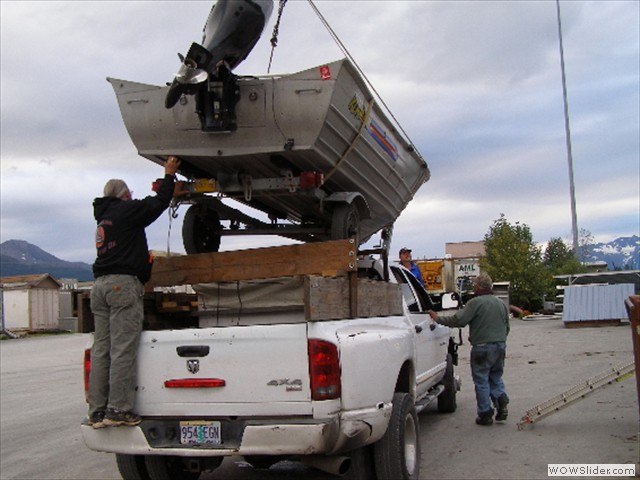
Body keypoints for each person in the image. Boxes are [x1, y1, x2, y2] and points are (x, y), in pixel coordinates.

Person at [87, 156, 182, 429]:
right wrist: (168, 174)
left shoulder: (103, 219)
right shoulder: (125, 211)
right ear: (125, 195)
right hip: (121, 286)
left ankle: (97, 411)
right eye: (130, 194)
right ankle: (118, 410)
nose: (132, 197)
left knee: (102, 349)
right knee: (122, 350)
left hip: (100, 286)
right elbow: (157, 203)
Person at [428, 272, 510, 426]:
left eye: (474, 285)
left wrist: (437, 318)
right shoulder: (500, 304)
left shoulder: (475, 303)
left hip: (481, 348)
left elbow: (459, 320)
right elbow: (507, 327)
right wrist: (499, 341)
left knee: (481, 380)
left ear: (478, 286)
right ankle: (501, 399)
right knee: (495, 376)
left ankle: (485, 413)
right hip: (500, 345)